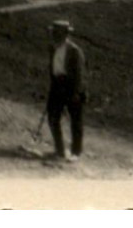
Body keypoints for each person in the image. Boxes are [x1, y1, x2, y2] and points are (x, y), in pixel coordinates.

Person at [45, 19, 87, 160]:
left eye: (57, 33)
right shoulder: (53, 48)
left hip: (71, 87)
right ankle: (59, 151)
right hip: (57, 86)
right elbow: (53, 69)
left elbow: (80, 74)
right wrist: (53, 86)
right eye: (53, 32)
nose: (54, 35)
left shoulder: (74, 51)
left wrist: (76, 92)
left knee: (75, 120)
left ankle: (76, 152)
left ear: (65, 34)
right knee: (52, 117)